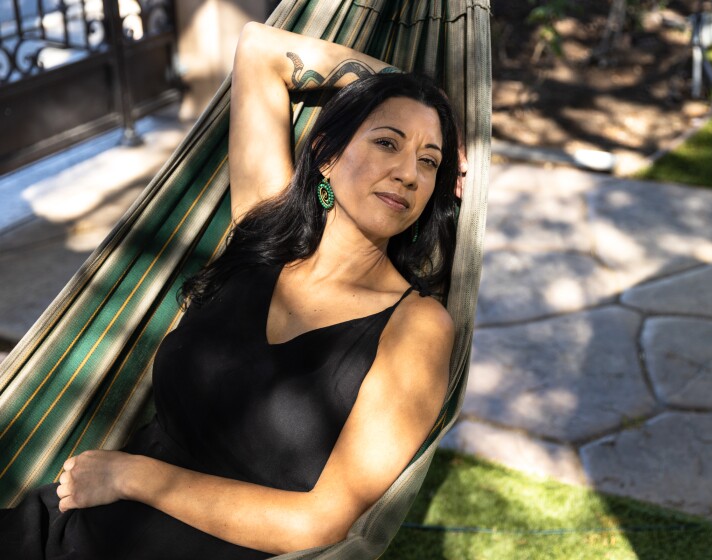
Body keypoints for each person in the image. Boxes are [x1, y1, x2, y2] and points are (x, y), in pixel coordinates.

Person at [0, 22, 466, 559]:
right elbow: (258, 49)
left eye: (430, 161)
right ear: (328, 155)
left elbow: (322, 523)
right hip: (67, 532)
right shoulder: (263, 237)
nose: (409, 172)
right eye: (388, 142)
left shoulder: (416, 326)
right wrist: (424, 100)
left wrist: (135, 478)